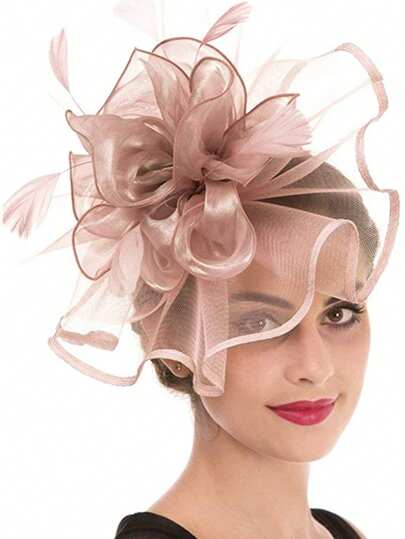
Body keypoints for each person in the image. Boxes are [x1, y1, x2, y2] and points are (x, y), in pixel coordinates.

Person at [2, 1, 399, 538]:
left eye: (340, 313)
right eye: (259, 322)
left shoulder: (340, 531)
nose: (315, 366)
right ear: (172, 339)